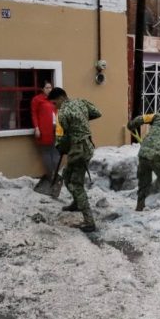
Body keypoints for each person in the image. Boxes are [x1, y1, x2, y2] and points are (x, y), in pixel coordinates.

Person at [47, 87, 100, 232]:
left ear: (60, 98)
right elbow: (97, 112)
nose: (54, 106)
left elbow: (63, 139)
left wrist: (61, 147)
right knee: (66, 176)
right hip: (88, 146)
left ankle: (89, 222)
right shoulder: (80, 102)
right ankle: (77, 203)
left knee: (76, 184)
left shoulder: (62, 113)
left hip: (78, 151)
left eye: (54, 103)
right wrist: (81, 120)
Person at [31, 81, 60, 178]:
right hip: (44, 130)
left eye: (50, 87)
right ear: (42, 89)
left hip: (56, 129)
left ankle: (56, 174)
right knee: (46, 152)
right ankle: (50, 174)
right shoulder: (37, 99)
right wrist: (37, 128)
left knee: (56, 152)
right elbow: (34, 114)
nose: (49, 89)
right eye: (47, 87)